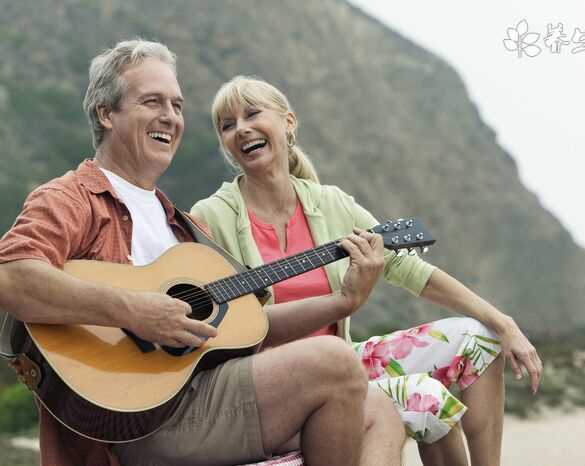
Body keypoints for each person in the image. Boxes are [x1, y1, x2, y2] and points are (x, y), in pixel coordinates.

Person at [0, 40, 406, 466]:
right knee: (335, 361)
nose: (170, 117)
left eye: (176, 105)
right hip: (138, 422)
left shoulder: (185, 225)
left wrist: (343, 301)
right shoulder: (73, 197)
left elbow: (247, 329)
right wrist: (134, 311)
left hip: (201, 397)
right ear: (106, 113)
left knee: (380, 410)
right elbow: (11, 276)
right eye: (152, 101)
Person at [191, 76, 545, 466]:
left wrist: (504, 323)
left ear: (288, 123)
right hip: (273, 384)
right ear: (225, 144)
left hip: (343, 361)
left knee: (479, 338)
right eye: (227, 124)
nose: (241, 128)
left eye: (252, 113)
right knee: (425, 397)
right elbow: (218, 321)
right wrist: (343, 299)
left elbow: (410, 269)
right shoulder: (212, 216)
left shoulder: (330, 204)